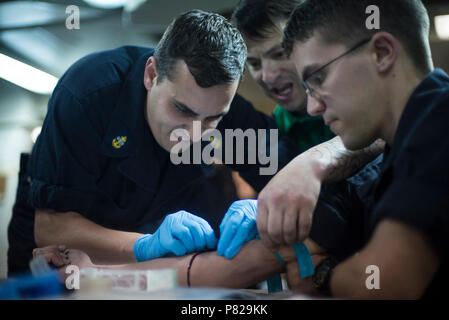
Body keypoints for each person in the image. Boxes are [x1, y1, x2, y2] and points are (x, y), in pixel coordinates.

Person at [7, 9, 299, 275]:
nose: (195, 134)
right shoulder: (87, 95)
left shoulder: (227, 113)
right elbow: (50, 227)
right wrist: (145, 245)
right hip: (55, 262)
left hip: (138, 263)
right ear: (151, 74)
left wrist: (263, 207)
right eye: (183, 110)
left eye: (212, 119)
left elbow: (291, 172)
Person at [281, 0, 448, 298]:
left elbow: (383, 283)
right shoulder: (401, 149)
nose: (313, 106)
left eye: (318, 78)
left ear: (381, 53)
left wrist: (325, 276)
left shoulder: (440, 121)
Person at [226, 0, 384, 256]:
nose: (267, 76)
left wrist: (313, 164)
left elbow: (381, 135)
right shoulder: (275, 128)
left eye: (279, 54)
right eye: (254, 63)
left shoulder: (367, 94)